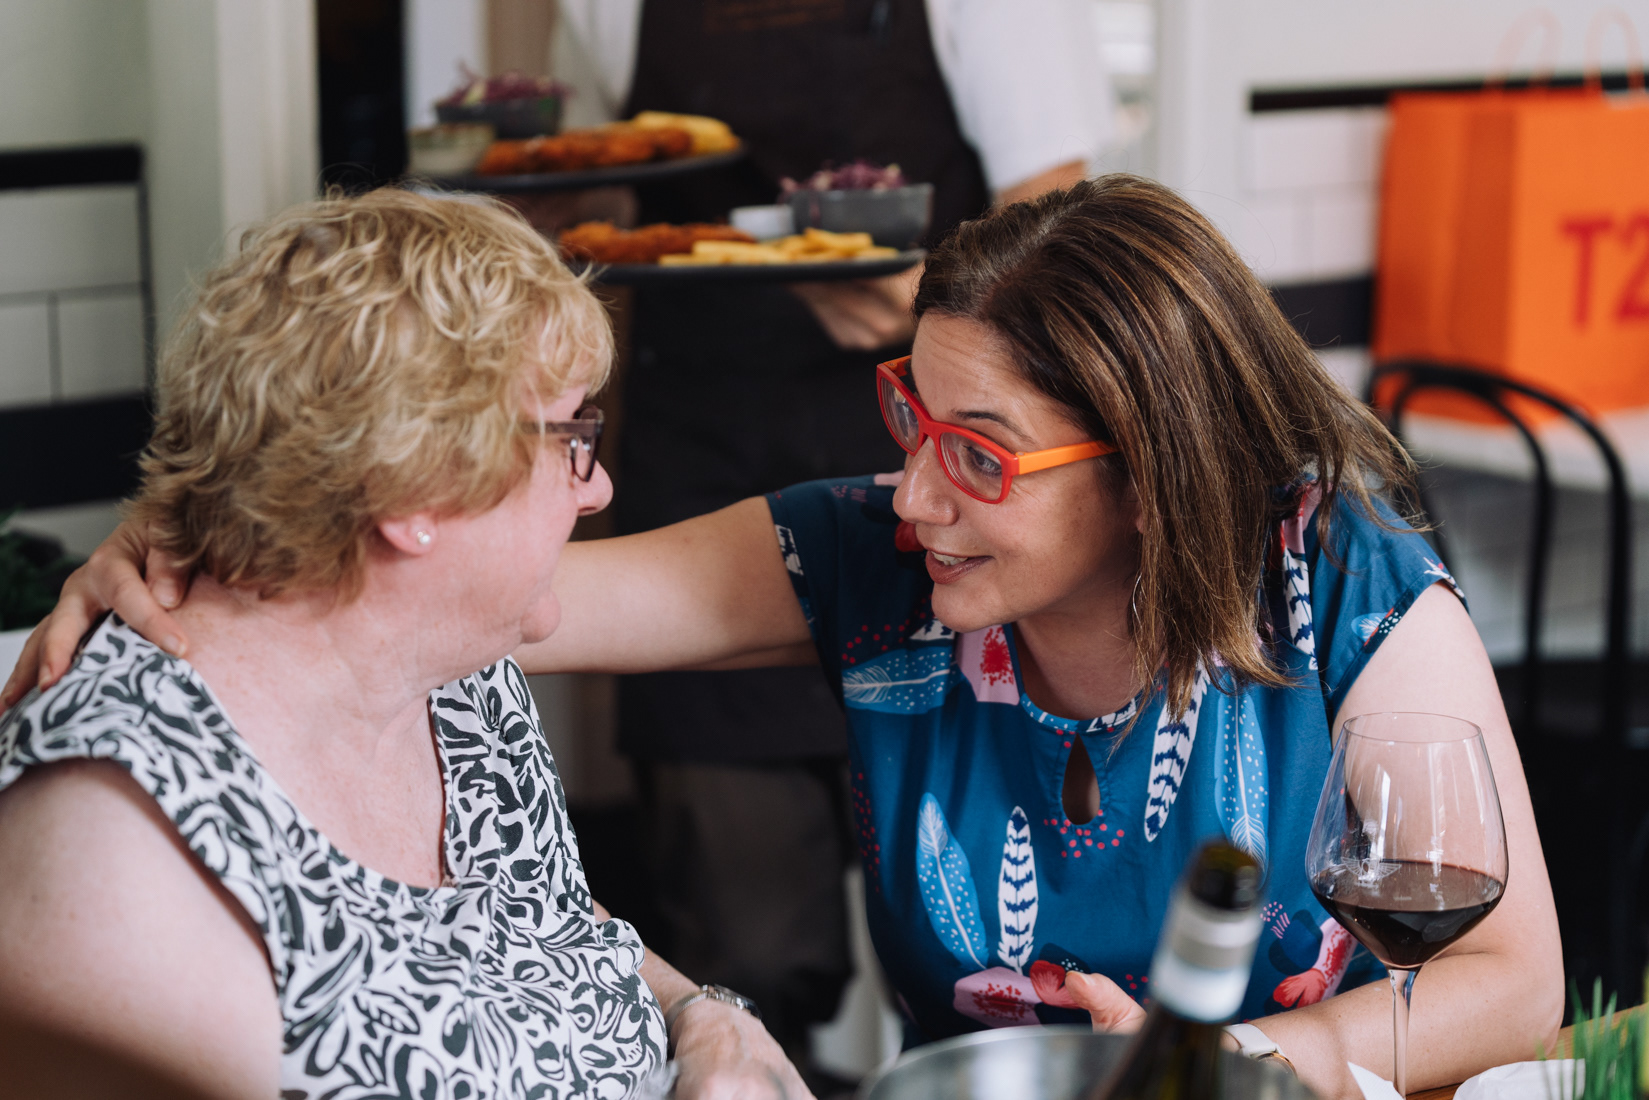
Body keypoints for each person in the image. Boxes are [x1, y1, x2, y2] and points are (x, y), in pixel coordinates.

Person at [9, 176, 1564, 1100]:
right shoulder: (878, 557)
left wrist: (1236, 1074)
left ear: (1152, 472)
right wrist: (195, 541)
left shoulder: (1331, 582)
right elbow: (424, 588)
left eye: (979, 454)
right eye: (910, 419)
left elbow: (1511, 981)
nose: (912, 492)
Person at [0, 190, 805, 1100]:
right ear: (412, 489)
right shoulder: (118, 843)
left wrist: (700, 1015)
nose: (598, 487)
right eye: (574, 436)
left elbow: (536, 937)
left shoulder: (457, 674)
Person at [551, 0, 1113, 1061]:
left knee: (986, 963)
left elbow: (1054, 222)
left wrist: (928, 317)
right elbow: (590, 180)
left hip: (947, 485)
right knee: (746, 945)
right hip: (705, 456)